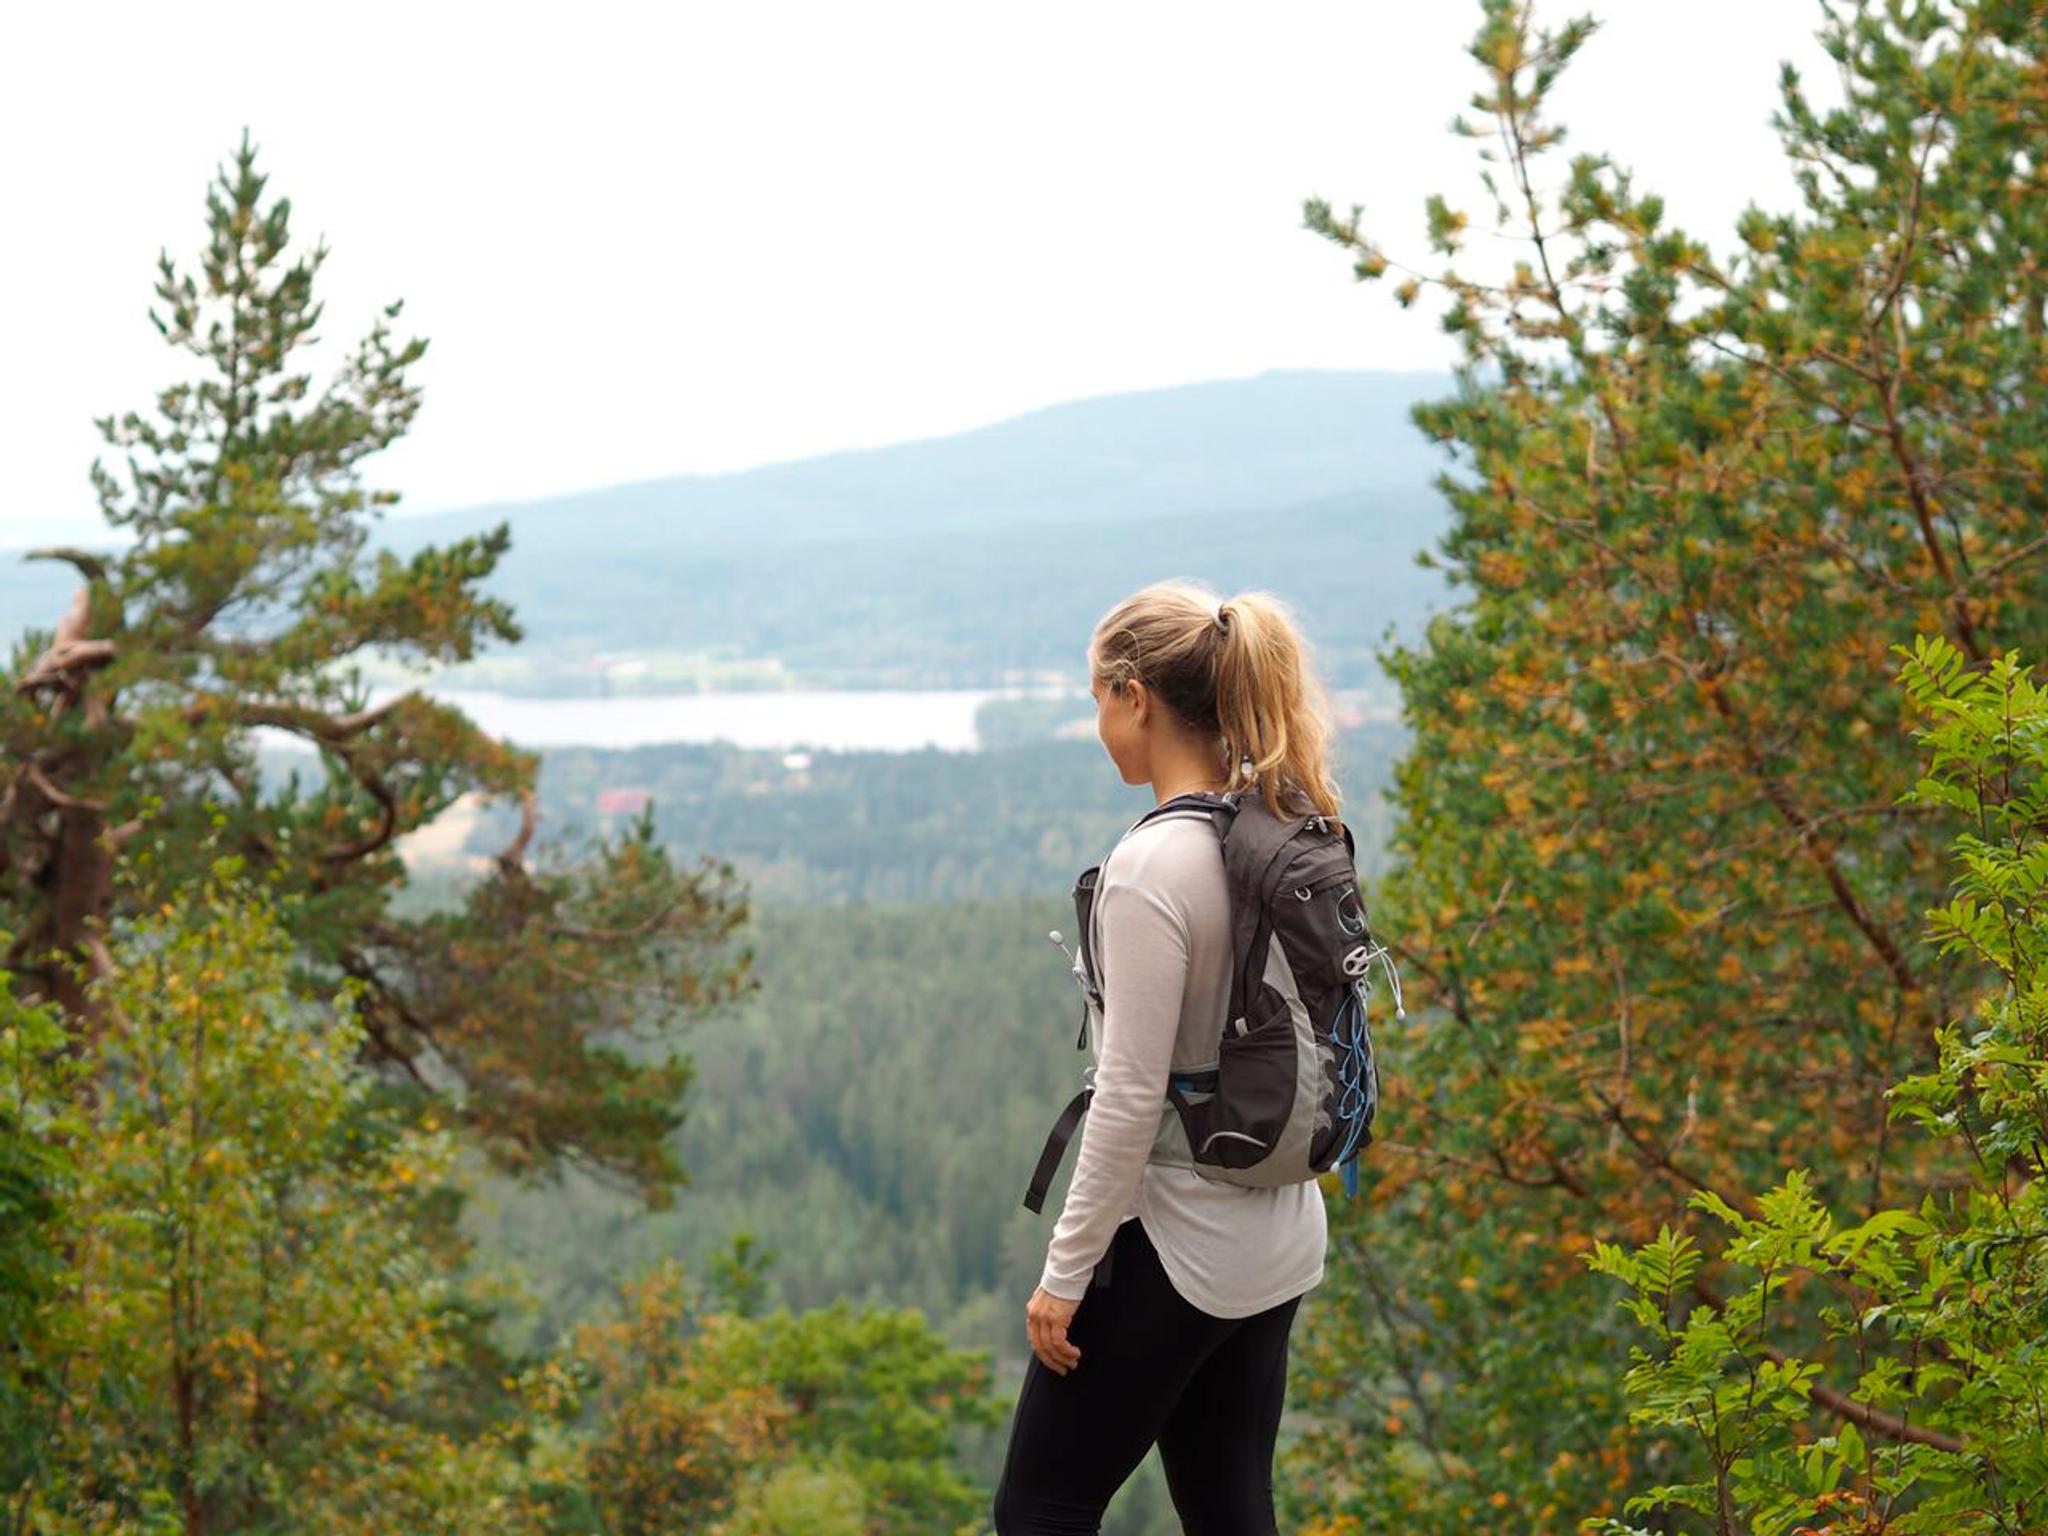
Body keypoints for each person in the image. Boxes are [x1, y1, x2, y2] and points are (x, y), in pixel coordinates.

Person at [991, 580, 1343, 1536]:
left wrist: (1064, 1277)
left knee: (1041, 1508)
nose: (1098, 722)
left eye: (1098, 697)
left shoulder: (1152, 869)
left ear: (1135, 696)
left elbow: (1129, 1097)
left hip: (1178, 1247)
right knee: (1231, 1506)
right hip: (1278, 1238)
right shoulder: (1275, 829)